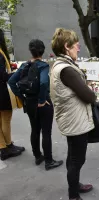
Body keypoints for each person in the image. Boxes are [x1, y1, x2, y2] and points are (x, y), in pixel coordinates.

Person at [50, 28, 96, 200]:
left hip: (71, 119)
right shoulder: (67, 70)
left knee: (73, 158)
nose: (79, 48)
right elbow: (89, 96)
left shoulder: (60, 66)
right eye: (76, 45)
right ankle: (73, 195)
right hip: (75, 121)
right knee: (77, 160)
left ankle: (75, 187)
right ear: (67, 46)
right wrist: (91, 91)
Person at [8, 39, 63, 170]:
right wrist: (42, 100)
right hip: (42, 103)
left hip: (30, 102)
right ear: (42, 51)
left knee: (35, 130)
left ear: (31, 51)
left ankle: (38, 156)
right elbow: (44, 83)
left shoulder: (24, 65)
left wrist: (22, 97)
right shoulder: (42, 66)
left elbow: (11, 81)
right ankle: (49, 161)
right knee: (46, 132)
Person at [0, 29, 25, 160]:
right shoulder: (0, 53)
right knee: (5, 119)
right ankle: (6, 147)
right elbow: (2, 76)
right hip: (2, 92)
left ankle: (4, 147)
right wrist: (17, 73)